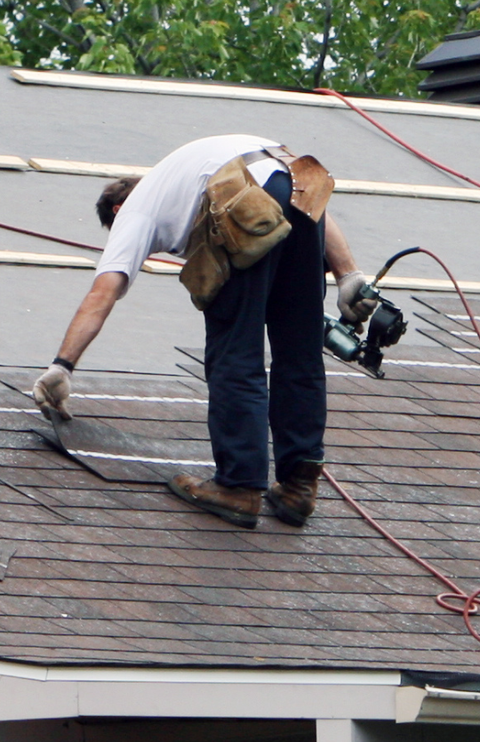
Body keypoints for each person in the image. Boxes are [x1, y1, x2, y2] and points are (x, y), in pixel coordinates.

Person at [32, 133, 378, 530]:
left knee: (236, 350)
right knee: (298, 348)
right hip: (296, 179)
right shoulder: (181, 173)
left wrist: (63, 366)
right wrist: (348, 274)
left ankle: (239, 487)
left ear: (116, 208)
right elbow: (296, 197)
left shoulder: (135, 211)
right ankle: (299, 487)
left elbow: (103, 291)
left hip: (245, 199)